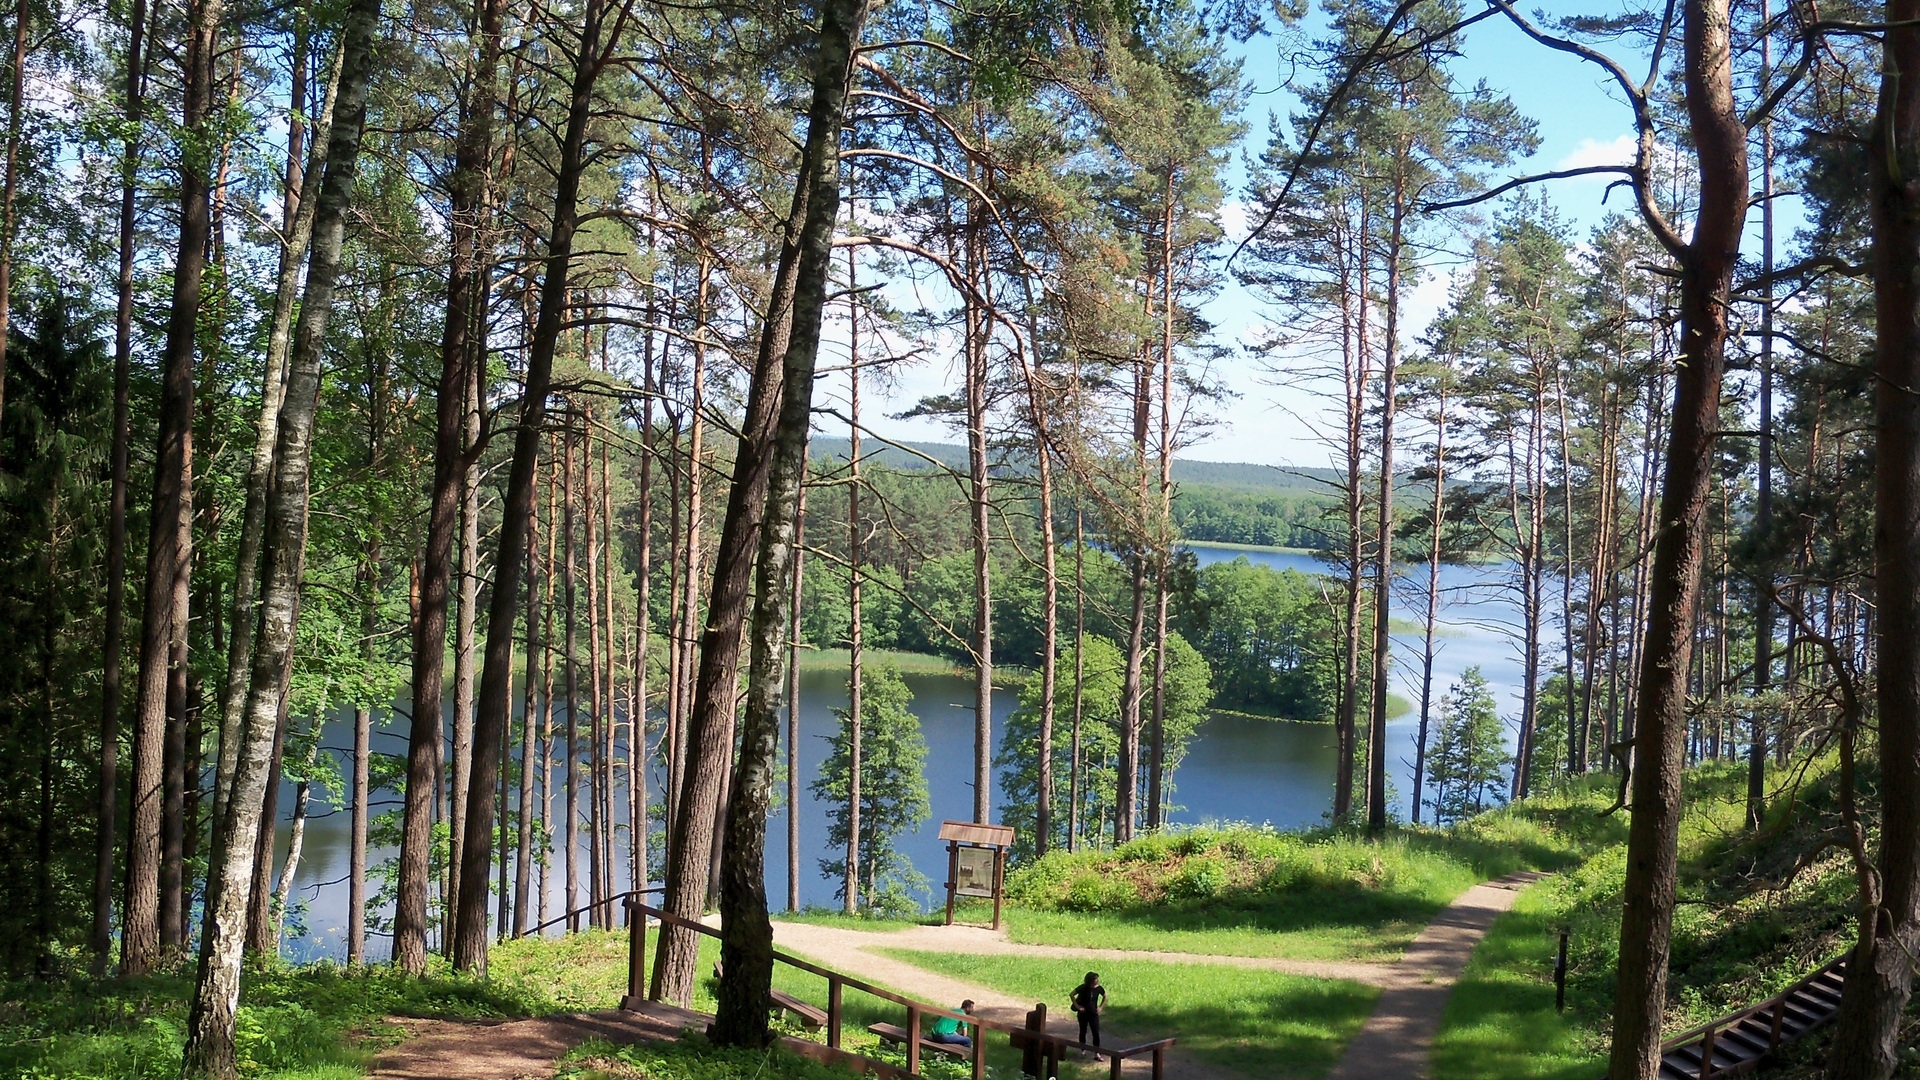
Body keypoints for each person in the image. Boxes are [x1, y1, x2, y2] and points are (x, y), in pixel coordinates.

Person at [1070, 972, 1105, 1047]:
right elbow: (1072, 994)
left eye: (1097, 979)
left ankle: (1097, 1052)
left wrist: (1101, 1007)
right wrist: (1078, 1006)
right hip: (1083, 1013)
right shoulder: (1083, 987)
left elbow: (1105, 996)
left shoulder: (1099, 988)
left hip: (1093, 1013)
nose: (1097, 980)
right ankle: (1083, 1049)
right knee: (1083, 1031)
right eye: (1095, 979)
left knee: (1095, 1032)